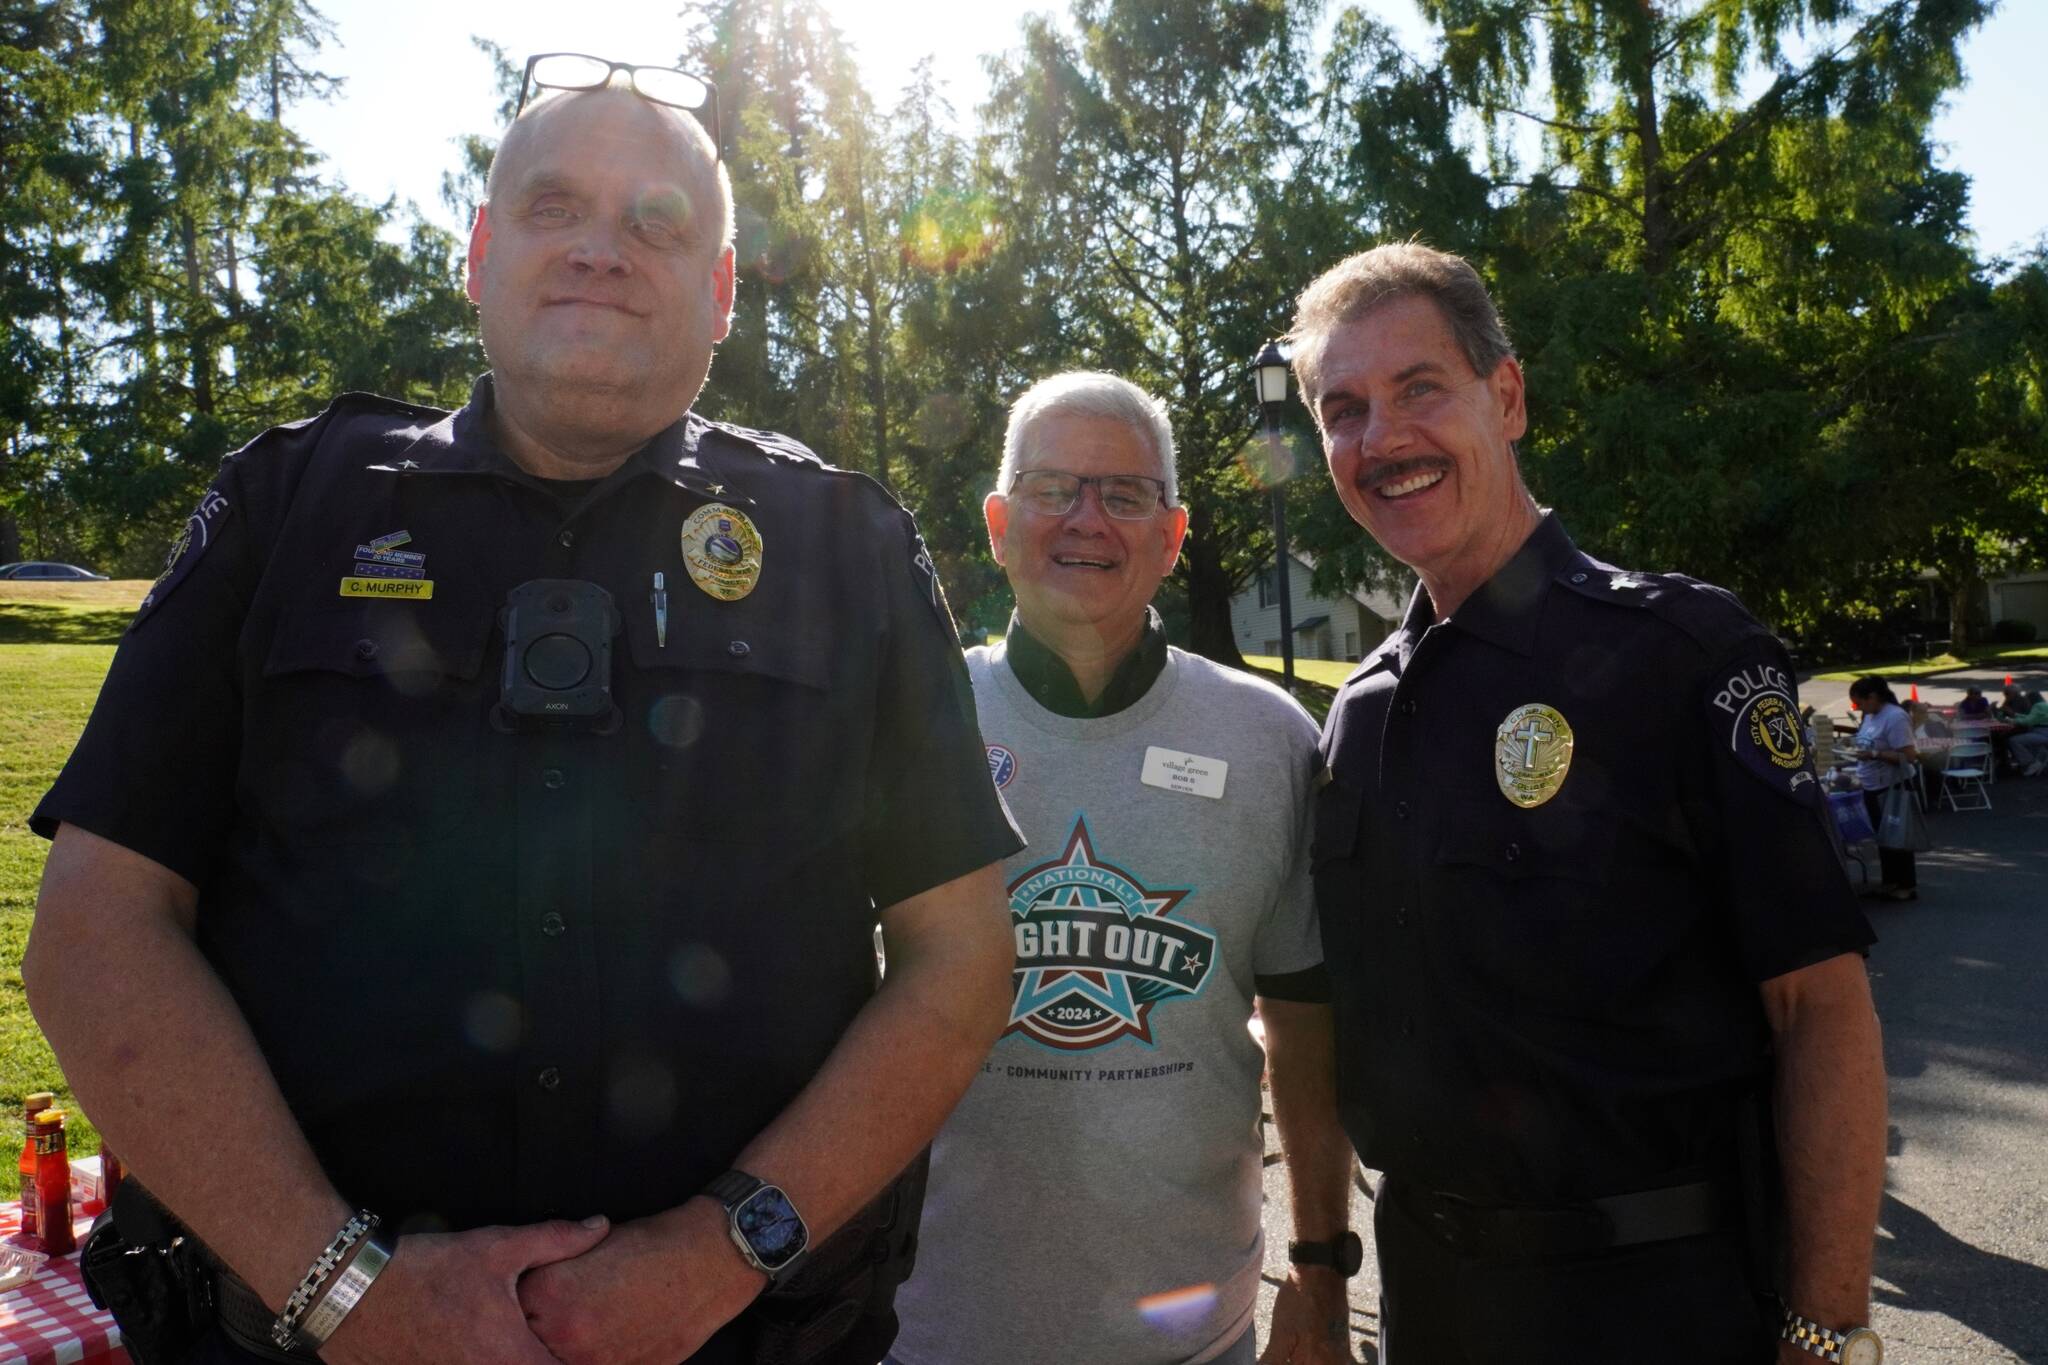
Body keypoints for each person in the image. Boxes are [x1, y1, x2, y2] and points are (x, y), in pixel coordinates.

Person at [24, 65, 1022, 1365]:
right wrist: (346, 1291)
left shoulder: (847, 544)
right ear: (481, 254)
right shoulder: (289, 507)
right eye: (556, 207)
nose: (603, 250)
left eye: (659, 224)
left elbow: (960, 956)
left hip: (741, 1342)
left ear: (719, 294)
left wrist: (718, 1255)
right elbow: (97, 927)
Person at [1286, 242, 1887, 1364]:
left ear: (1503, 396)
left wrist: (1826, 1327)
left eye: (1418, 389)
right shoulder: (1359, 715)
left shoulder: (1684, 653)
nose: (1381, 439)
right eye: (1342, 410)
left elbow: (1820, 1010)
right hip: (1428, 1301)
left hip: (1659, 1305)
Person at [888, 373, 1358, 1365]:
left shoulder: (1268, 741)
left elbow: (1306, 1029)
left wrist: (1318, 1264)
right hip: (928, 1331)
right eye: (1053, 489)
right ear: (999, 522)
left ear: (1173, 533)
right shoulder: (904, 725)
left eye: (1124, 494)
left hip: (1196, 1332)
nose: (1085, 521)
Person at [1848, 678, 1920, 900]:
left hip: (1893, 785)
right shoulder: (1870, 715)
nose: (1858, 708)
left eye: (1859, 702)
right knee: (1883, 837)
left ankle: (1906, 885)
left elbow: (1908, 756)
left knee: (1898, 836)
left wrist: (1875, 754)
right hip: (1873, 785)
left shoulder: (1895, 717)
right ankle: (1890, 880)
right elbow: (1867, 741)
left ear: (1873, 697)